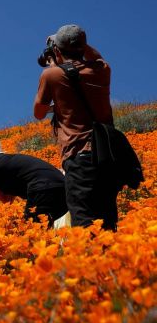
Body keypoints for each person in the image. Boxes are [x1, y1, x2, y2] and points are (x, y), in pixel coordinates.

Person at [33, 24, 119, 231]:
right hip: (109, 156)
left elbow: (39, 113)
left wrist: (54, 65)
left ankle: (90, 263)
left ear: (56, 50)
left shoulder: (52, 75)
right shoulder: (102, 70)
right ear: (84, 46)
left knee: (84, 221)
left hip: (80, 155)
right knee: (107, 220)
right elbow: (96, 56)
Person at [0, 140, 68, 226]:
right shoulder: (8, 162)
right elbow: (7, 200)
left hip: (42, 188)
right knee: (50, 229)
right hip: (63, 186)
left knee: (32, 231)